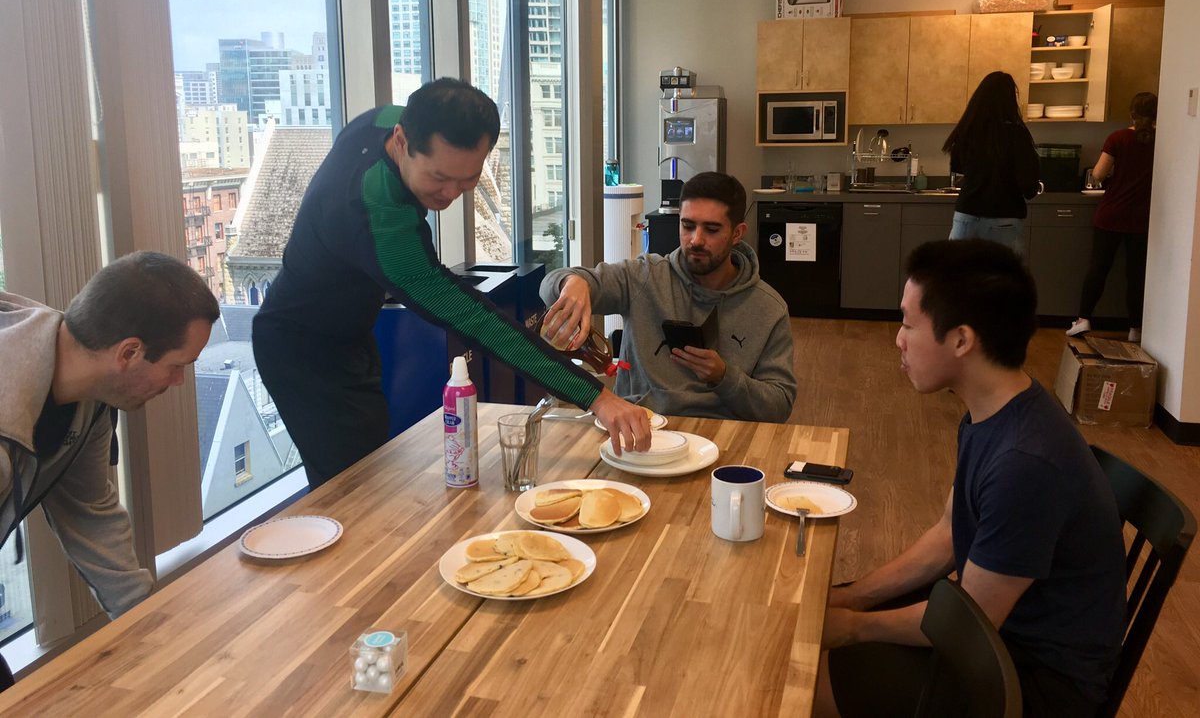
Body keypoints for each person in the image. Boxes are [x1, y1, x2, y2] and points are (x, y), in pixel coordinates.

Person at [252, 78, 648, 488]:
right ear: (402, 142)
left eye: (468, 179)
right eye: (440, 177)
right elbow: (478, 324)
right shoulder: (376, 218)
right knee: (349, 493)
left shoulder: (386, 120)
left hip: (349, 331)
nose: (451, 194)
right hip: (301, 350)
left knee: (372, 470)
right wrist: (596, 397)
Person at [816, 239, 1126, 718]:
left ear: (961, 340)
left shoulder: (1026, 463)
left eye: (907, 323)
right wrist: (853, 598)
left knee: (804, 673)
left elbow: (971, 623)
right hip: (997, 633)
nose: (897, 338)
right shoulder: (996, 410)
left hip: (1029, 680)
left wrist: (854, 627)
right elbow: (947, 536)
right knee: (819, 627)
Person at [0, 251, 219, 689]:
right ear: (130, 352)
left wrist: (152, 631)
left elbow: (89, 513)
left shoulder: (89, 399)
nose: (178, 383)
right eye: (177, 366)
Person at [539, 171, 796, 421]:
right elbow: (549, 286)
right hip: (639, 430)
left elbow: (779, 406)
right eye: (688, 225)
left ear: (737, 234)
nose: (696, 240)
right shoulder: (644, 277)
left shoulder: (769, 308)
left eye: (712, 229)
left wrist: (724, 377)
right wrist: (573, 281)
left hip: (723, 435)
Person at [1067, 92, 1158, 343]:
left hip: (1111, 215)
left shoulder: (1117, 138)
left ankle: (1083, 319)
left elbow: (1097, 174)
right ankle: (1135, 328)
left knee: (1098, 269)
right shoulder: (1162, 141)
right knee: (1136, 275)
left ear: (1131, 113)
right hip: (1142, 219)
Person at [943, 71, 1041, 254]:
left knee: (957, 277)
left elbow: (957, 166)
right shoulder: (1017, 134)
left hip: (966, 216)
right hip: (1003, 219)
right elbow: (1029, 187)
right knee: (1002, 278)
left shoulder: (967, 131)